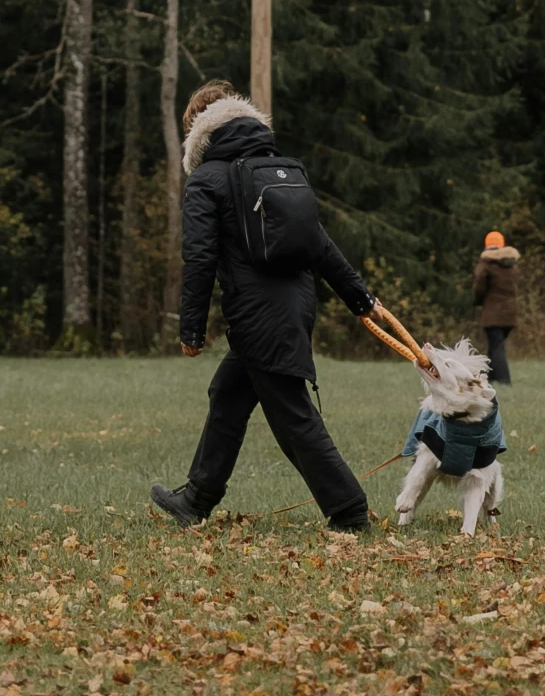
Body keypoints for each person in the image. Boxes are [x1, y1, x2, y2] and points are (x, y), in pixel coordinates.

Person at [149, 80, 378, 533]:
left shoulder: (206, 180)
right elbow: (320, 243)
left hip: (257, 316)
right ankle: (196, 499)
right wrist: (359, 296)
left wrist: (191, 329)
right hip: (295, 305)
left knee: (292, 416)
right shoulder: (276, 169)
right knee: (228, 394)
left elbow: (198, 257)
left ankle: (349, 512)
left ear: (197, 130)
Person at [471, 228, 520, 384]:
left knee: (497, 347)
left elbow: (479, 287)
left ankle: (505, 380)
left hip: (493, 313)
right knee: (495, 346)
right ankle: (490, 379)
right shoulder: (512, 264)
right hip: (511, 313)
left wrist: (477, 300)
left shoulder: (487, 264)